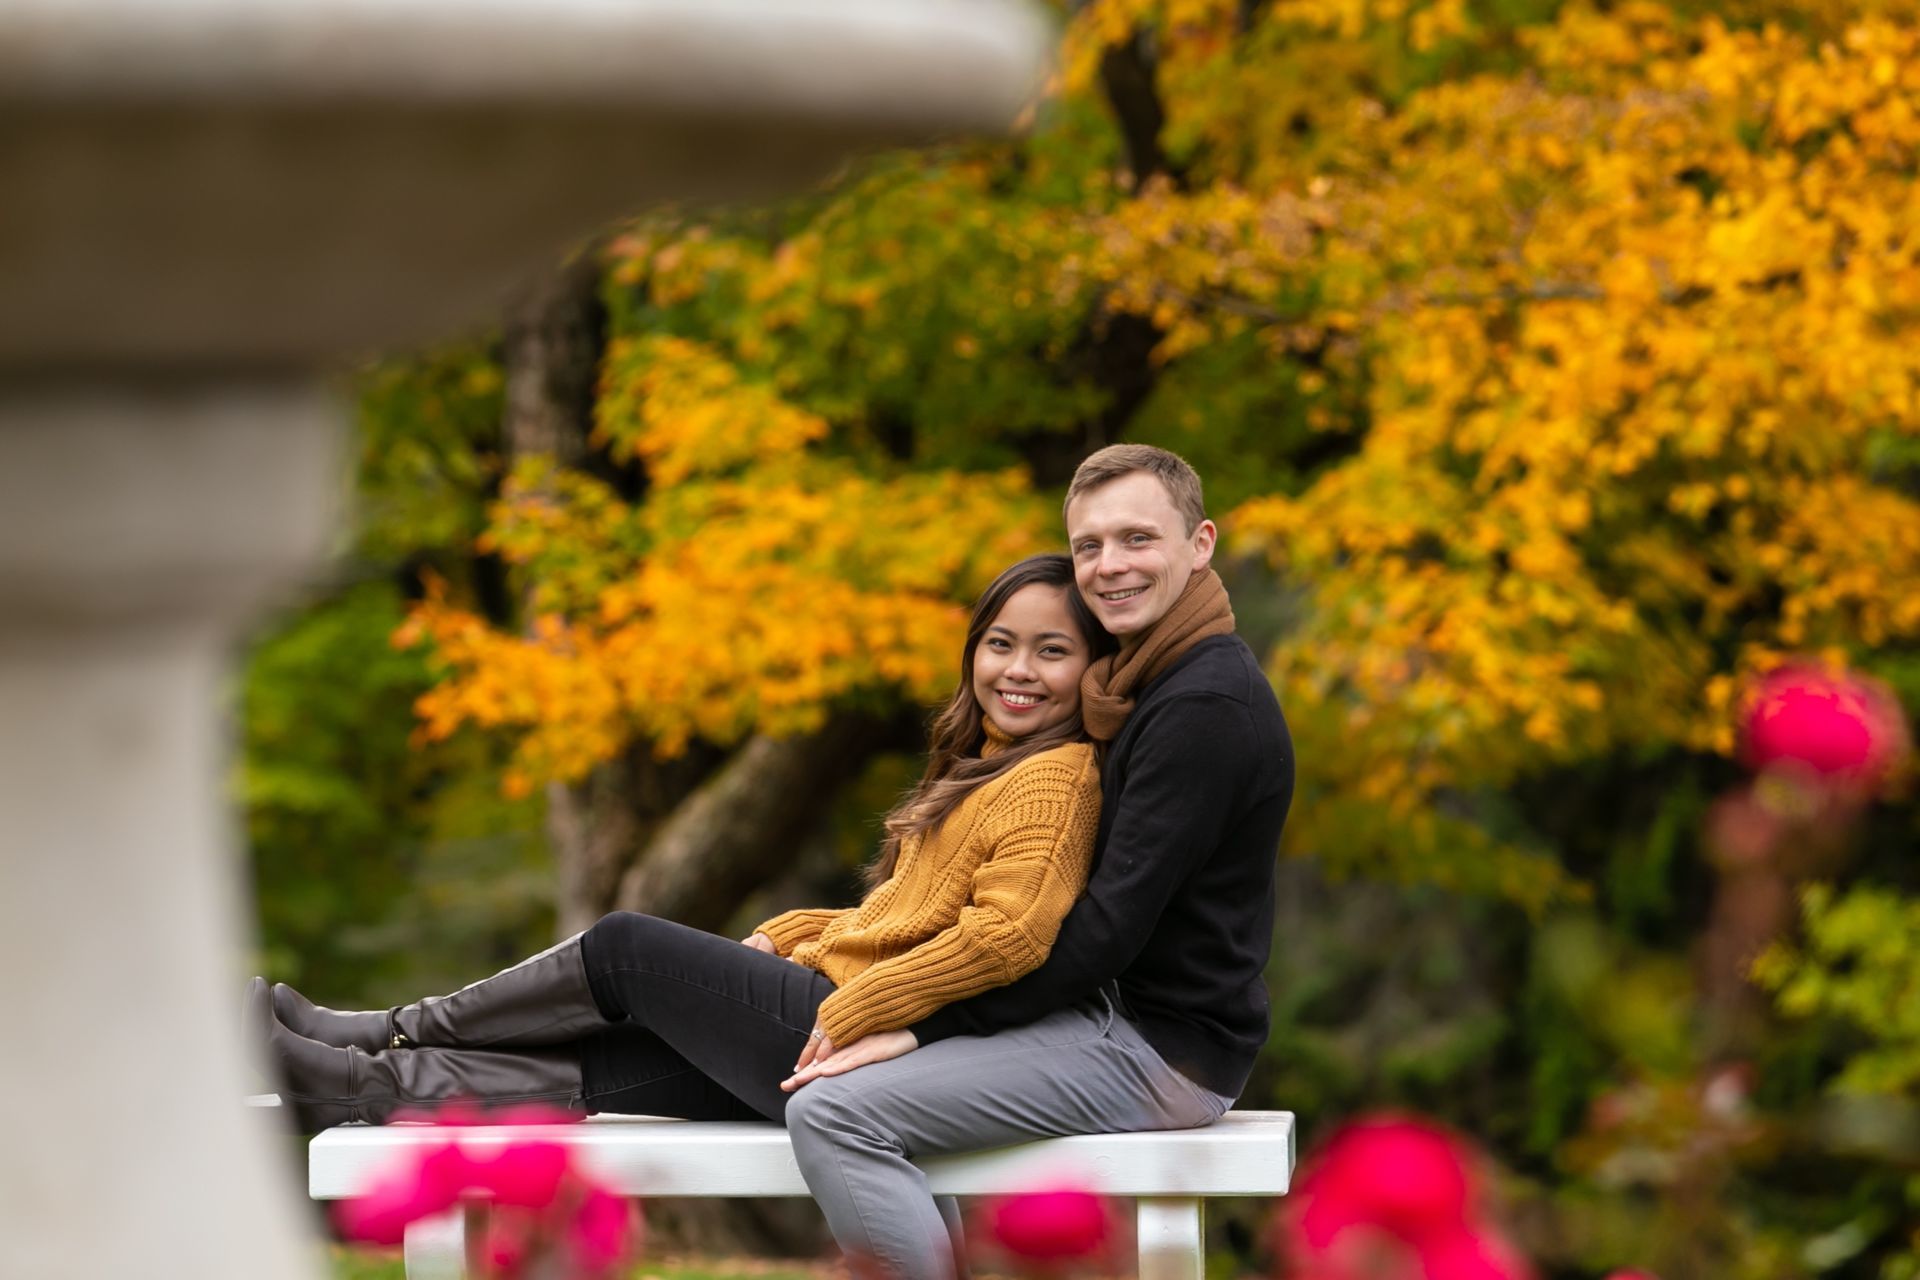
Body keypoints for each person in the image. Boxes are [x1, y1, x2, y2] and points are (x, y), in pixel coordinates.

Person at [254, 552, 1115, 1135]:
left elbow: (1007, 935)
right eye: (1000, 644)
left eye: (1051, 651)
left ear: (1093, 669)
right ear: (972, 653)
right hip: (839, 1036)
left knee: (625, 948)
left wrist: (857, 1009)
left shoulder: (1056, 777)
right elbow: (908, 920)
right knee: (608, 1066)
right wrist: (797, 932)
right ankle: (353, 1087)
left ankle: (385, 1032)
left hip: (850, 1037)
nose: (1018, 670)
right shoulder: (987, 766)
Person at [778, 444, 1294, 1279]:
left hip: (1159, 1052)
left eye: (1137, 539)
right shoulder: (1139, 682)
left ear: (1200, 544)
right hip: (1099, 1020)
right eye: (1089, 545)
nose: (1109, 565)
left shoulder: (1202, 706)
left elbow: (1103, 933)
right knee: (851, 1098)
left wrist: (924, 1025)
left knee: (837, 1114)